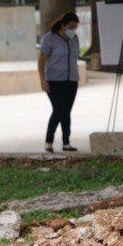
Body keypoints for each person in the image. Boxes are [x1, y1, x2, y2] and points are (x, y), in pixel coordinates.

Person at [38, 12, 81, 152]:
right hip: (54, 81)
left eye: (75, 27)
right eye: (71, 26)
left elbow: (75, 56)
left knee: (66, 111)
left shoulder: (74, 38)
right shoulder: (49, 38)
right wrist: (42, 80)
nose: (73, 29)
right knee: (58, 110)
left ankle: (66, 143)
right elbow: (41, 61)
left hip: (71, 80)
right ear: (63, 24)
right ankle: (48, 141)